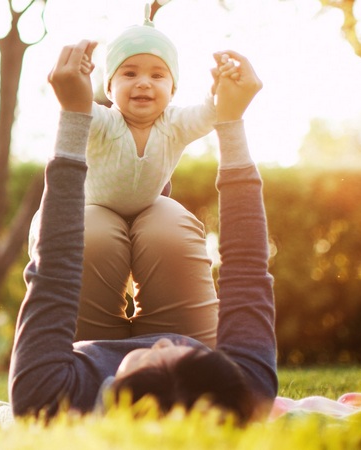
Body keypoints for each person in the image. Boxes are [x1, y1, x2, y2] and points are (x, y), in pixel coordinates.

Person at [9, 40, 276, 423]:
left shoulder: (47, 400)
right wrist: (231, 122)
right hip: (160, 240)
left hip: (82, 332)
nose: (167, 343)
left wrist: (73, 117)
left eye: (162, 362)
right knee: (165, 224)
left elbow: (53, 273)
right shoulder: (245, 393)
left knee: (93, 233)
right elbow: (248, 269)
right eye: (186, 359)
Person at [31, 3, 226, 345]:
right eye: (130, 73)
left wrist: (219, 91)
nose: (143, 84)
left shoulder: (174, 124)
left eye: (157, 75)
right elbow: (80, 110)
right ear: (109, 87)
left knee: (169, 234)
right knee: (96, 239)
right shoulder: (107, 123)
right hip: (93, 210)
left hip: (149, 211)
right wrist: (74, 87)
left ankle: (174, 347)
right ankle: (90, 346)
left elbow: (209, 114)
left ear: (173, 89)